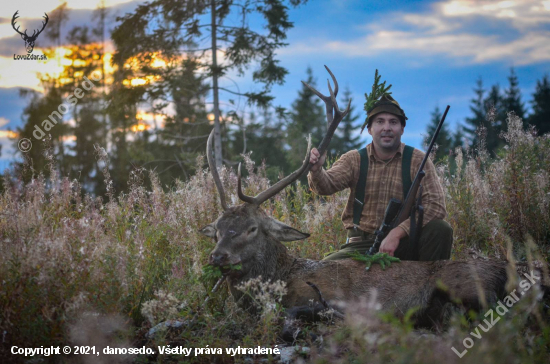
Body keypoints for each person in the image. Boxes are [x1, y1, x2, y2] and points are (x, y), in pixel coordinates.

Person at [307, 94, 452, 261]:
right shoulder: (354, 160)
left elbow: (436, 207)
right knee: (324, 270)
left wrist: (397, 233)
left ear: (402, 129)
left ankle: (433, 285)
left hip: (403, 244)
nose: (387, 128)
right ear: (370, 129)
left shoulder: (418, 160)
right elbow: (325, 187)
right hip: (361, 246)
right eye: (380, 121)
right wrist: (317, 170)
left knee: (441, 229)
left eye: (393, 122)